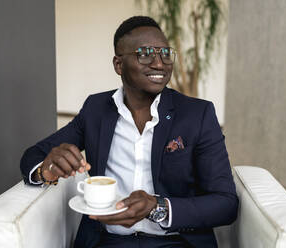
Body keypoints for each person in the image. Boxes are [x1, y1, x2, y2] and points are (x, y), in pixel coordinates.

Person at [20, 16, 238, 248]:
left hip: (175, 241)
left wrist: (158, 207)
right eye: (145, 53)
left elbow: (225, 203)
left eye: (165, 53)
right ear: (118, 64)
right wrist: (46, 171)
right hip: (107, 240)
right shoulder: (96, 110)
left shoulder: (197, 114)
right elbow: (33, 155)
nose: (159, 63)